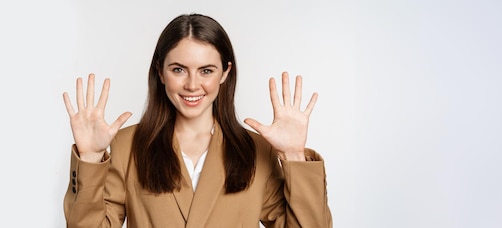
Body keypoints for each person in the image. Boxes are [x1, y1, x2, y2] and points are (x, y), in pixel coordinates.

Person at [62, 14, 332, 227]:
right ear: (160, 72)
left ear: (225, 73)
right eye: (178, 69)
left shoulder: (255, 151)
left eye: (206, 70)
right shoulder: (127, 146)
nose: (193, 85)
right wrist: (90, 158)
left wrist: (294, 155)